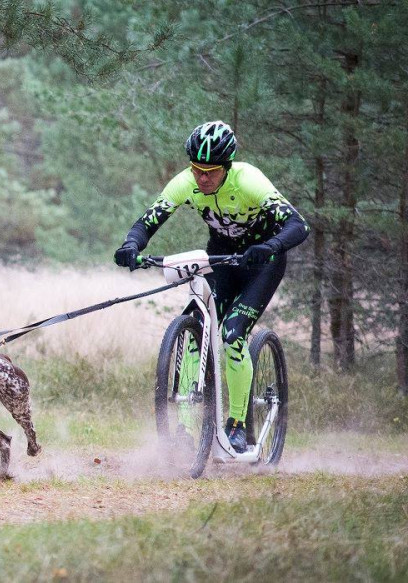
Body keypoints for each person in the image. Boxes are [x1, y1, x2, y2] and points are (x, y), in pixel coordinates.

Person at [114, 121, 309, 453]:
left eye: (210, 172)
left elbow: (298, 225)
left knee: (233, 335)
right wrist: (131, 246)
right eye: (196, 170)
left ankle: (237, 426)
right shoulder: (185, 183)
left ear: (227, 167)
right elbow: (148, 221)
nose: (201, 178)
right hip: (222, 259)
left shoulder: (249, 180)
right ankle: (188, 431)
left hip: (262, 263)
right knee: (197, 328)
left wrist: (271, 246)